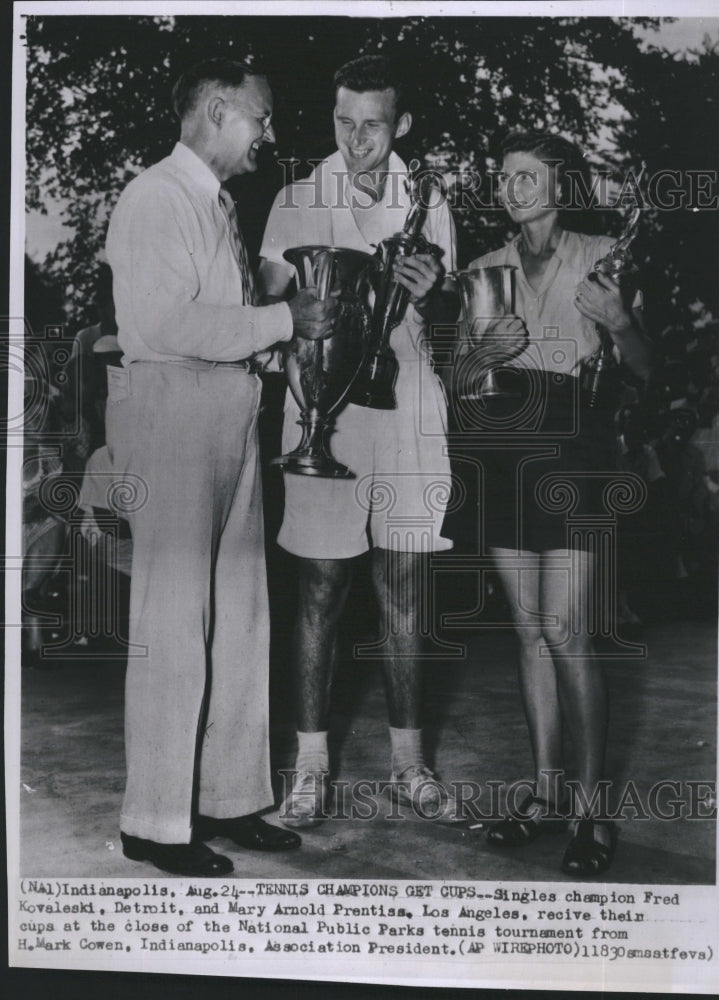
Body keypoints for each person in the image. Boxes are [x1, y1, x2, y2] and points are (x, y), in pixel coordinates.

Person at [105, 58, 339, 876]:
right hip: (173, 413)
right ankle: (156, 822)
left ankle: (231, 799)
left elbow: (223, 318)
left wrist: (273, 346)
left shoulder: (216, 203)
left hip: (231, 412)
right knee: (173, 625)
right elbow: (167, 323)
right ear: (215, 109)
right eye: (261, 118)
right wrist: (283, 318)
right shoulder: (154, 198)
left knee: (242, 620)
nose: (269, 135)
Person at [257, 54, 461, 826]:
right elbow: (267, 308)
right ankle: (310, 770)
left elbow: (450, 327)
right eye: (345, 122)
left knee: (404, 589)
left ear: (400, 123)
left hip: (407, 406)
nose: (357, 139)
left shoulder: (432, 201)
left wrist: (433, 295)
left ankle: (411, 767)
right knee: (319, 588)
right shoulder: (295, 198)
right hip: (321, 409)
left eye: (373, 124)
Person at [446, 131, 651, 875]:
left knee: (569, 632)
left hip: (576, 447)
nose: (511, 186)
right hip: (502, 446)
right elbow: (461, 386)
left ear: (560, 187)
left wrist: (621, 320)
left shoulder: (602, 255)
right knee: (528, 629)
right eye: (504, 176)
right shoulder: (481, 269)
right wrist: (480, 356)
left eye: (527, 176)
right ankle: (543, 794)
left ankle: (594, 813)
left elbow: (644, 370)